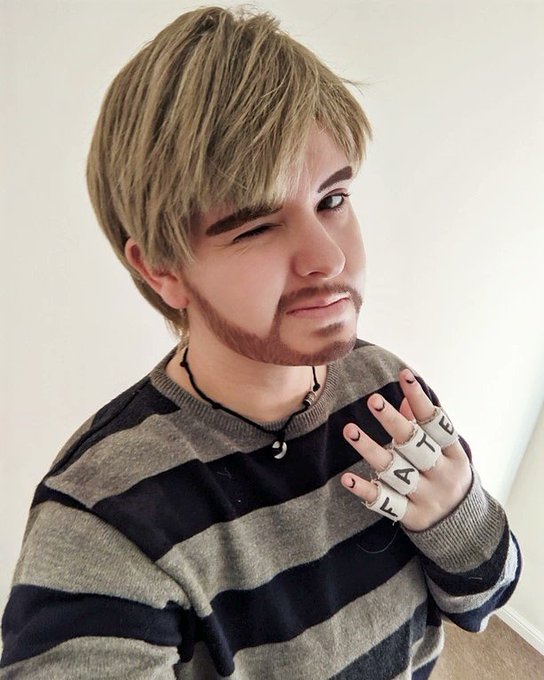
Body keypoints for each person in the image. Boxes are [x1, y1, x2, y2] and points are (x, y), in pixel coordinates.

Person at [0, 6, 521, 679]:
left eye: (332, 200)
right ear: (161, 269)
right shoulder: (104, 518)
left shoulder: (387, 389)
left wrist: (457, 515)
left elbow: (485, 601)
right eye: (256, 228)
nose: (329, 258)